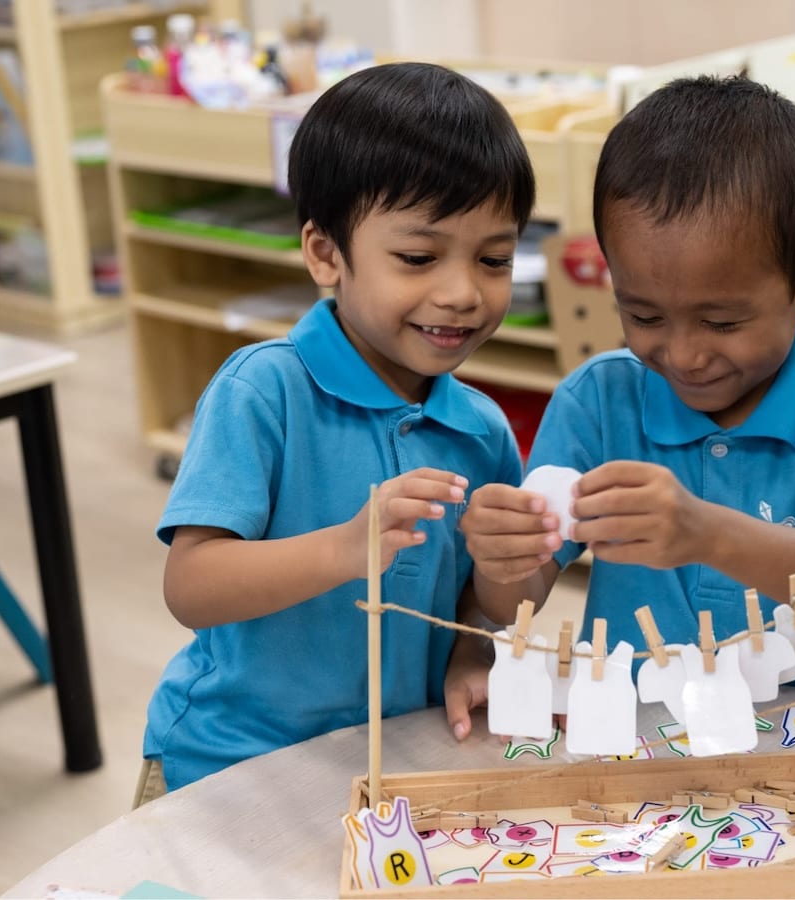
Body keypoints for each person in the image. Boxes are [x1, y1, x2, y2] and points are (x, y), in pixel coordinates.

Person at [453, 75, 795, 728]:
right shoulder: (597, 402)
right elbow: (516, 606)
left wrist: (705, 533)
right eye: (643, 315)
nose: (685, 355)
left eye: (723, 323)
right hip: (644, 749)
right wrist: (501, 558)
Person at [143, 62, 536, 792]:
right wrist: (344, 548)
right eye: (418, 258)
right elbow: (190, 586)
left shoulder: (482, 430)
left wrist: (478, 647)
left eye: (495, 259)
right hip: (232, 764)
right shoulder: (263, 390)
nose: (460, 293)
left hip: (400, 763)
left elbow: (483, 607)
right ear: (326, 253)